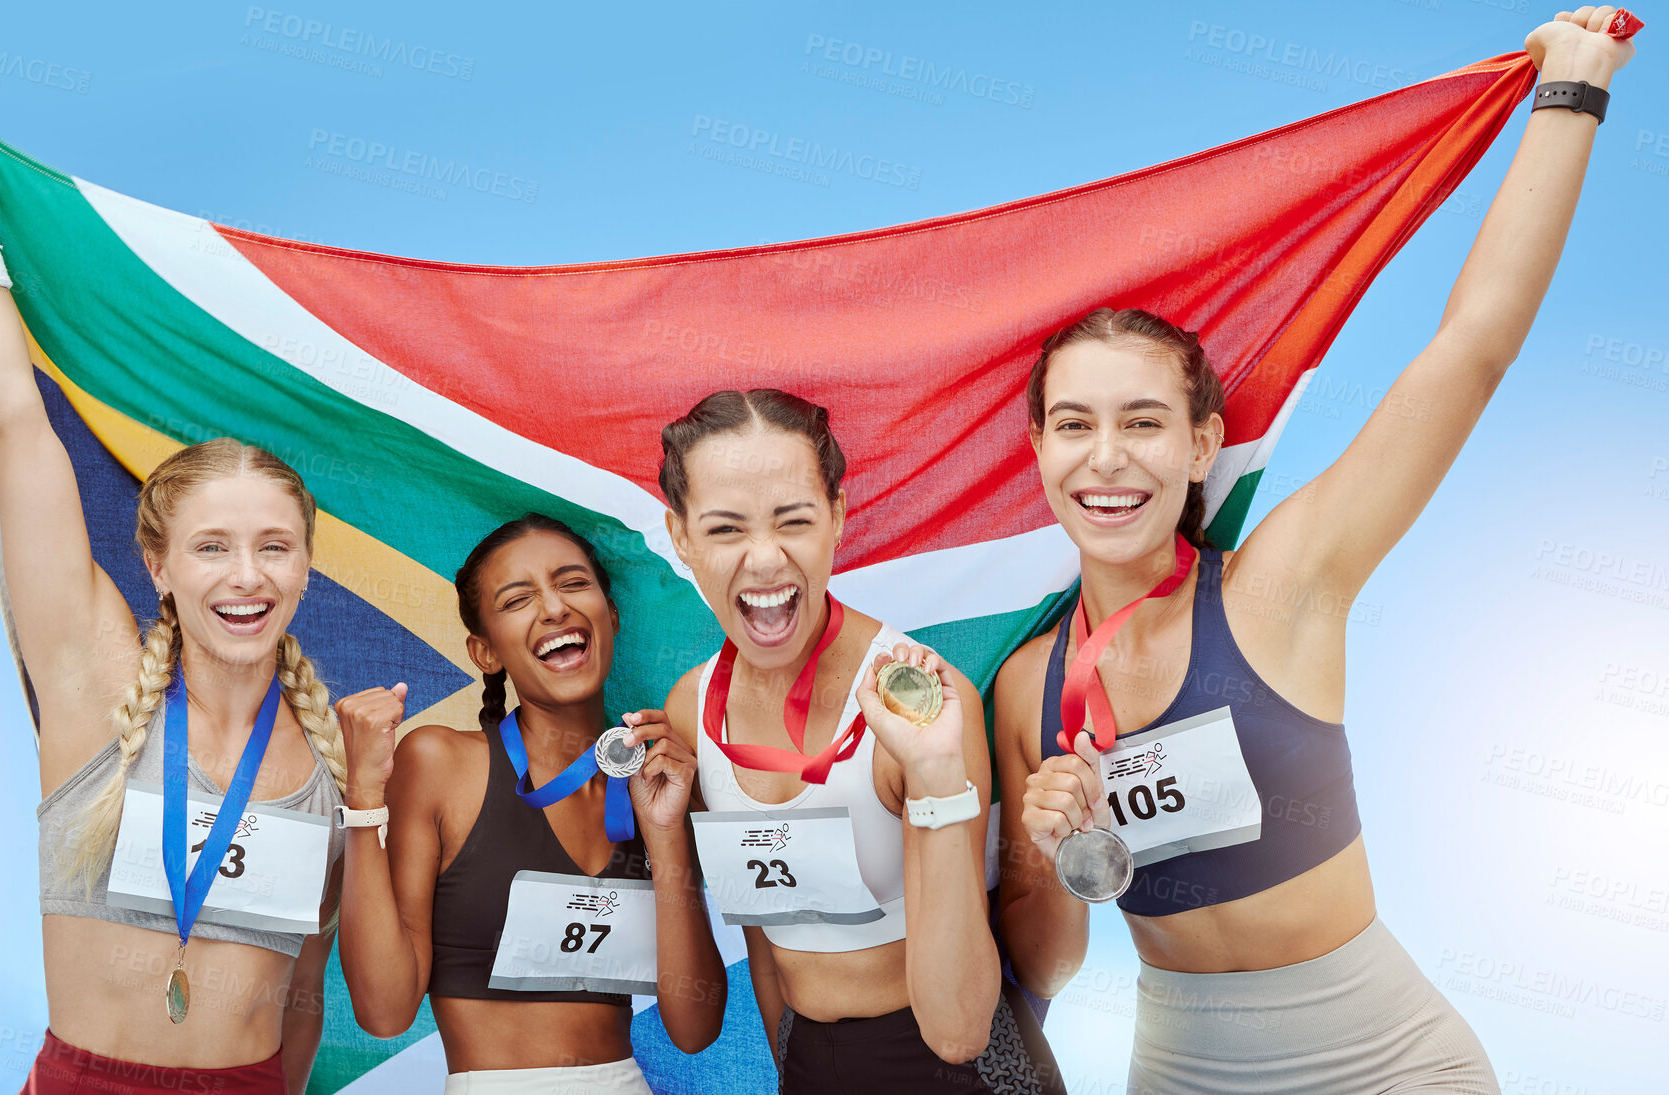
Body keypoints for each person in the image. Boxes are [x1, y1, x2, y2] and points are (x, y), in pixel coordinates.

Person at [995, 9, 1636, 1094]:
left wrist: (1570, 93)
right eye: (1074, 424)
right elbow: (1046, 967)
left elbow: (1468, 350)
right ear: (1038, 449)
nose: (1107, 460)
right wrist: (1040, 847)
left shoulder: (1280, 582)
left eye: (1144, 422)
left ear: (1202, 444)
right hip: (1178, 1070)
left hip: (1388, 1063)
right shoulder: (1026, 687)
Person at [0, 81, 349, 1094]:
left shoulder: (332, 754)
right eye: (212, 547)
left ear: (307, 567)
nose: (247, 576)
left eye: (274, 547)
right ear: (158, 564)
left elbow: (305, 989)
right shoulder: (91, 672)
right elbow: (15, 421)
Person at [660, 389, 1066, 1093]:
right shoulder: (691, 708)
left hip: (962, 1063)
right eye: (726, 528)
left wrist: (936, 774)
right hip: (811, 1059)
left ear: (838, 518)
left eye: (794, 519)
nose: (763, 559)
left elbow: (960, 1028)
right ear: (680, 535)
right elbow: (763, 935)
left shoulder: (924, 703)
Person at [334, 513, 726, 1093]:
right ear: (485, 652)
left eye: (573, 584)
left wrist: (667, 832)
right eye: (518, 599)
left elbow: (694, 1029)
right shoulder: (438, 762)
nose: (554, 608)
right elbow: (383, 1012)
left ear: (610, 617)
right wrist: (364, 798)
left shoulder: (658, 778)